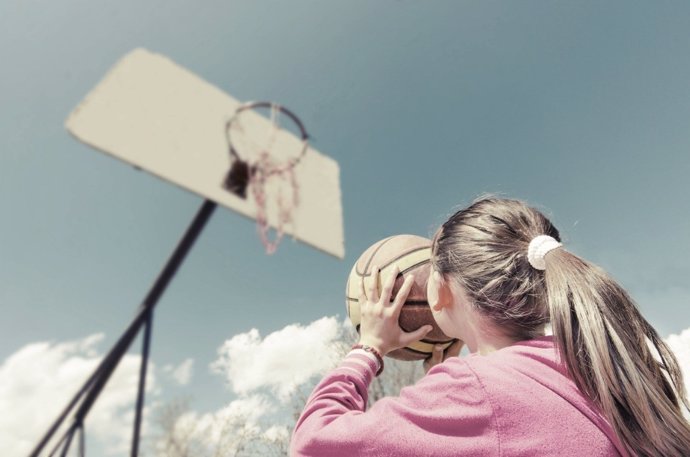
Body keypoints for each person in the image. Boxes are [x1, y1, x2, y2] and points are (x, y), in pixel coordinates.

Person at [290, 196, 690, 457]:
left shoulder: (474, 392)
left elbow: (313, 443)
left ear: (441, 291)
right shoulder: (598, 363)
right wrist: (445, 374)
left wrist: (369, 347)